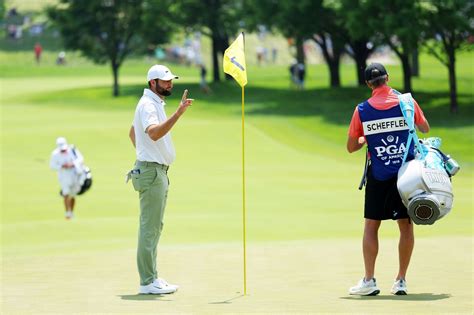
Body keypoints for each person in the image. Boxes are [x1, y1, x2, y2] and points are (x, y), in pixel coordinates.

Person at [346, 63, 430, 296]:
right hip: (407, 177)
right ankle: (401, 280)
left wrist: (366, 138)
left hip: (379, 176)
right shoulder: (407, 102)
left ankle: (369, 280)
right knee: (405, 225)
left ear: (368, 84)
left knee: (372, 225)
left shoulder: (361, 110)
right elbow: (424, 128)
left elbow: (351, 147)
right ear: (388, 78)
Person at [128, 64, 193, 295]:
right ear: (152, 83)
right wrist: (178, 114)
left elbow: (133, 132)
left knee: (154, 227)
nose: (169, 84)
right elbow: (153, 133)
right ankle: (147, 282)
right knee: (149, 228)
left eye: (170, 80)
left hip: (155, 170)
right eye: (164, 81)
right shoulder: (148, 104)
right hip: (152, 172)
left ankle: (152, 277)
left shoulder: (154, 103)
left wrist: (145, 155)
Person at [50, 137, 85, 219]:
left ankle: (71, 212)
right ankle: (67, 213)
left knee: (73, 195)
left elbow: (81, 159)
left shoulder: (72, 150)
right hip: (63, 176)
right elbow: (52, 166)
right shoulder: (55, 154)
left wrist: (72, 164)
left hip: (74, 175)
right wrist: (62, 166)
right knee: (66, 194)